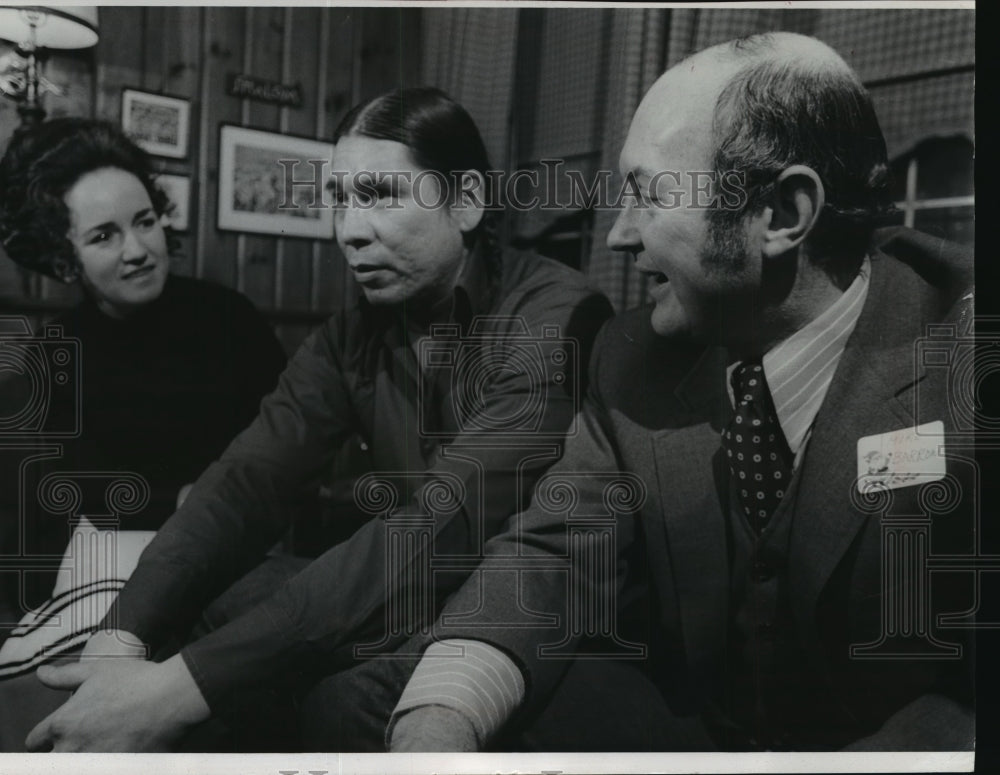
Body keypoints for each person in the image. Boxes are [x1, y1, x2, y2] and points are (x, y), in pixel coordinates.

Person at [384, 32, 976, 752]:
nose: (620, 236)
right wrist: (442, 717)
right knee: (364, 700)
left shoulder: (972, 353)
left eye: (647, 194)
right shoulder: (633, 355)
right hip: (693, 739)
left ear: (784, 215)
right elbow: (553, 554)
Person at [22, 87, 613, 752]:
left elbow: (443, 524)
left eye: (382, 194)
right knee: (214, 603)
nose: (350, 230)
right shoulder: (349, 335)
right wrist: (119, 637)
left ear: (467, 200)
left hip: (518, 610)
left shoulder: (557, 315)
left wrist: (179, 689)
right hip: (406, 586)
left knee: (331, 701)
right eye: (340, 199)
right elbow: (248, 481)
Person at [0, 118, 287, 750]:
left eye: (145, 221)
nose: (137, 248)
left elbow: (289, 447)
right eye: (104, 235)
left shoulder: (228, 318)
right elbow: (78, 491)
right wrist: (177, 499)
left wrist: (215, 500)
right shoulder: (53, 358)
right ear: (61, 255)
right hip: (119, 565)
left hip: (240, 550)